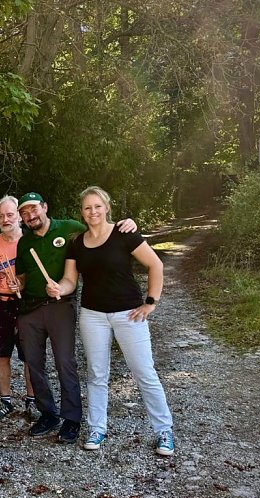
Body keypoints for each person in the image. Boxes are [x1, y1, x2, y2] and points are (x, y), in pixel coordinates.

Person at [45, 186, 175, 455]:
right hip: (92, 316)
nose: (93, 212)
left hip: (129, 314)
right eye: (87, 208)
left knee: (144, 372)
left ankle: (164, 431)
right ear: (81, 212)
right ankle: (97, 428)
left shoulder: (124, 233)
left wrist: (150, 303)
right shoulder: (77, 243)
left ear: (107, 207)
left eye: (97, 206)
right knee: (97, 374)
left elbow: (155, 265)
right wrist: (60, 289)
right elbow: (70, 280)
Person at [14, 192, 136, 444]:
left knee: (65, 362)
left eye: (34, 209)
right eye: (24, 213)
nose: (30, 215)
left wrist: (129, 224)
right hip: (30, 308)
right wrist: (16, 282)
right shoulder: (23, 243)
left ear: (45, 207)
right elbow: (23, 277)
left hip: (61, 305)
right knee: (34, 364)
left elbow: (100, 228)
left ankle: (72, 419)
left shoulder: (70, 229)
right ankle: (48, 413)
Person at [0, 195, 36, 420]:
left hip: (25, 304)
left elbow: (37, 275)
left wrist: (23, 284)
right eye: (1, 215)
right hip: (0, 304)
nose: (6, 219)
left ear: (19, 217)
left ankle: (32, 402)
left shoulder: (30, 241)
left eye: (10, 214)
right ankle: (6, 401)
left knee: (30, 355)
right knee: (1, 354)